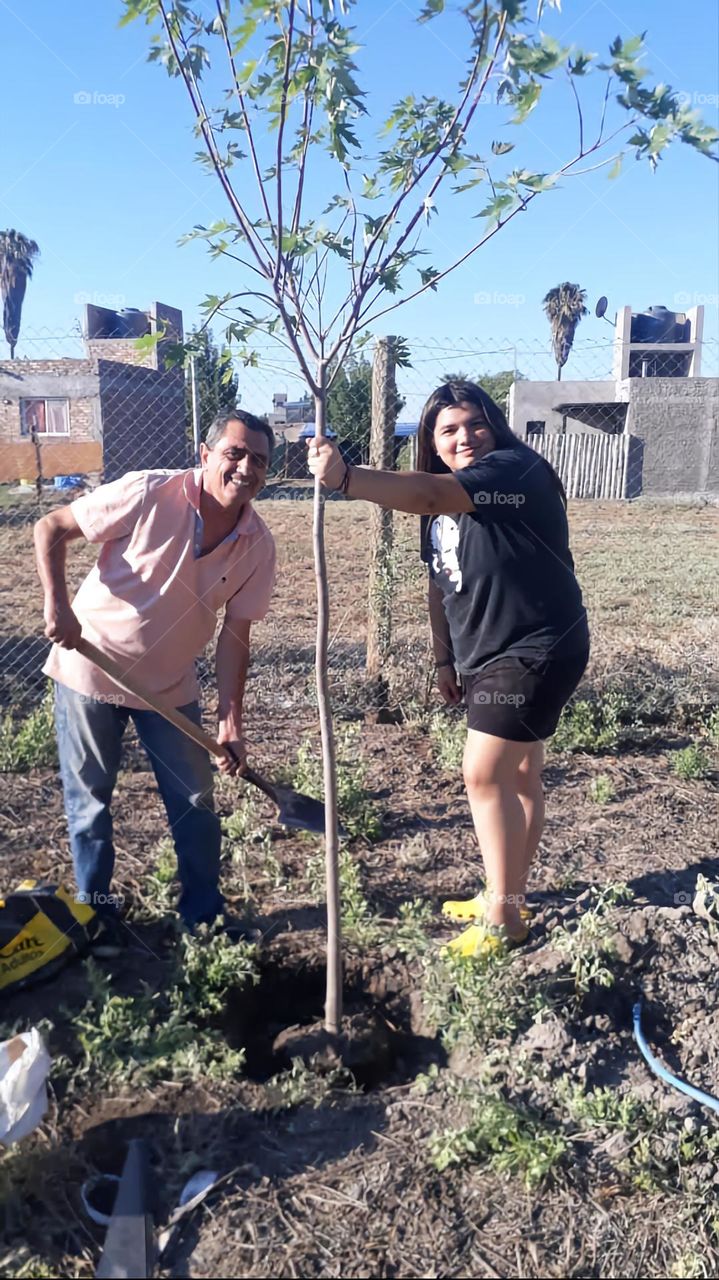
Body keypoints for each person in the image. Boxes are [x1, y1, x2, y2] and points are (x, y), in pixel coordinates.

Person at [308, 380, 589, 956]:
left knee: (484, 774)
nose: (466, 438)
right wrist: (445, 659)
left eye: (476, 423)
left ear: (496, 427)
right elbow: (441, 584)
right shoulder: (442, 506)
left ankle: (504, 920)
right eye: (449, 430)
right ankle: (503, 894)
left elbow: (431, 495)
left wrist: (345, 478)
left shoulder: (512, 470)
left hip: (535, 646)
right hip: (488, 654)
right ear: (433, 443)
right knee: (519, 775)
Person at [34, 409, 276, 947]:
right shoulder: (148, 493)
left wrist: (230, 720)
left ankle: (203, 917)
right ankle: (95, 916)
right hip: (89, 666)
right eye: (235, 453)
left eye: (258, 460)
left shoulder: (256, 543)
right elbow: (51, 527)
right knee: (90, 801)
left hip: (168, 687)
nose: (245, 468)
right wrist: (58, 606)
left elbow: (235, 638)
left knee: (196, 803)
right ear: (205, 454)